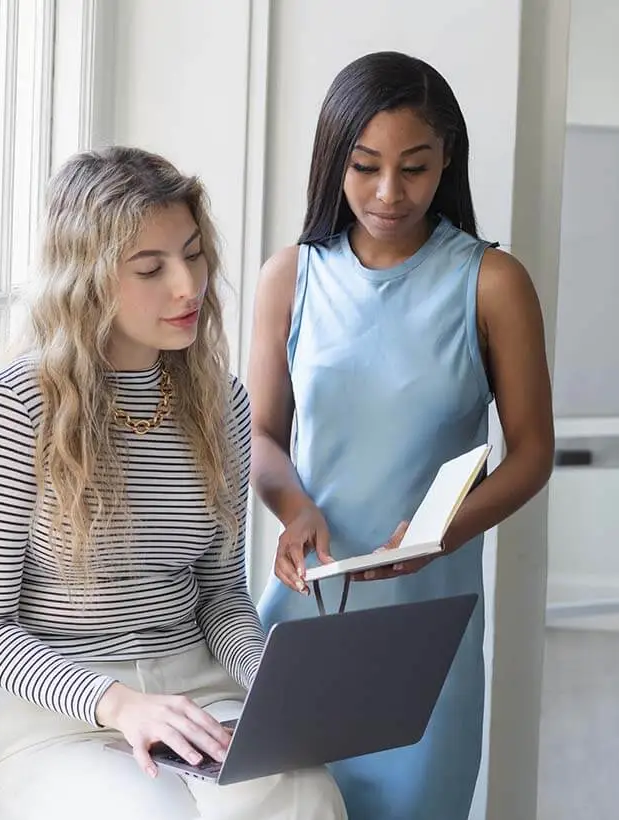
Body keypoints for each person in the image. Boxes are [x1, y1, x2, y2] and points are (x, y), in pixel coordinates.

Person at [0, 146, 346, 820]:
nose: (187, 286)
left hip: (199, 689)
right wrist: (117, 702)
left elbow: (219, 593)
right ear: (89, 280)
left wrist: (272, 686)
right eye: (150, 267)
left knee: (308, 795)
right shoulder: (18, 405)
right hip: (57, 714)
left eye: (193, 255)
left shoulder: (222, 402)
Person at [248, 52, 554, 820]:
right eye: (365, 166)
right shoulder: (291, 276)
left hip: (429, 635)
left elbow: (532, 454)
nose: (389, 193)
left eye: (414, 168)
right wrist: (296, 511)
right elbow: (258, 435)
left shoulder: (492, 282)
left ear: (446, 158)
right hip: (308, 622)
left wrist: (439, 532)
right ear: (333, 160)